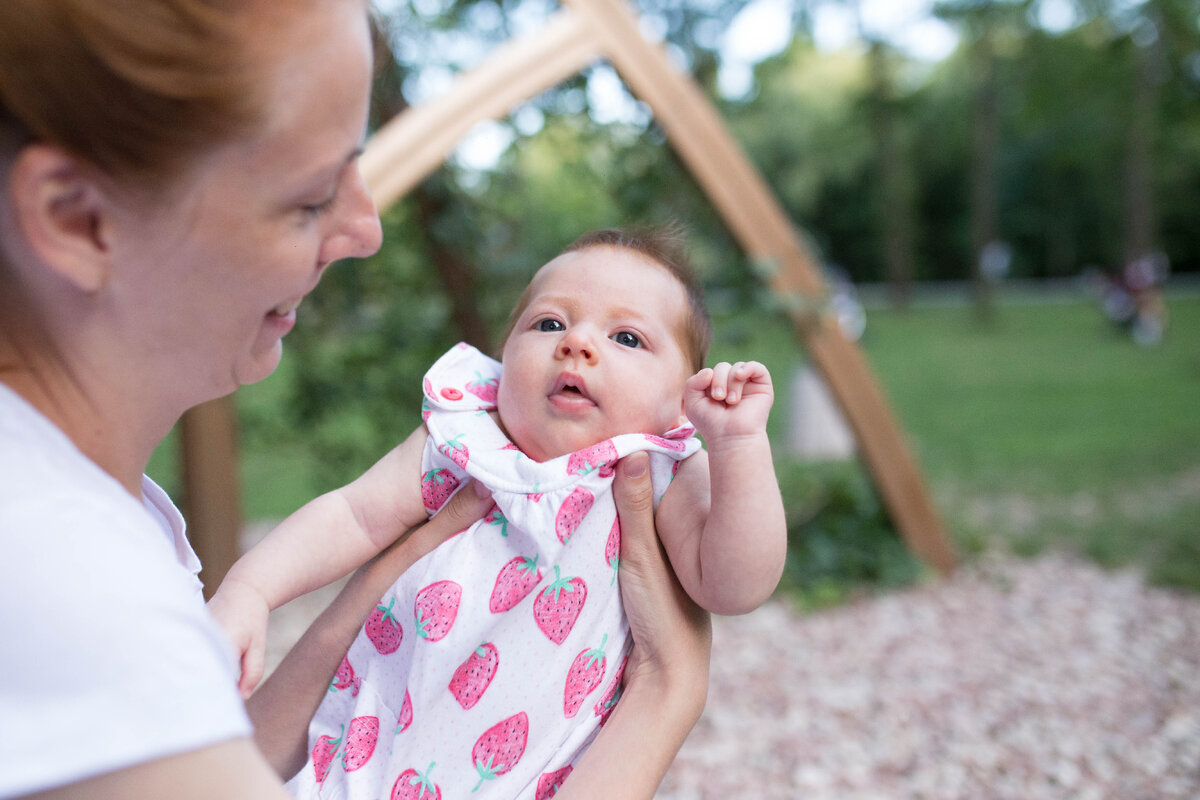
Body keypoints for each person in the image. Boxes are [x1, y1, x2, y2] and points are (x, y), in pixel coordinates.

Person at [0, 1, 711, 798]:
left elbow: (228, 765)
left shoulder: (79, 507)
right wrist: (663, 693)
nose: (367, 227)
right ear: (77, 217)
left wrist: (366, 595)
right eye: (310, 195)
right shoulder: (59, 584)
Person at [208, 226, 788, 798]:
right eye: (549, 323)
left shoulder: (661, 470)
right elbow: (355, 514)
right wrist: (252, 589)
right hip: (365, 759)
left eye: (627, 338)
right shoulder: (468, 437)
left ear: (682, 399)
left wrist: (737, 447)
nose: (577, 343)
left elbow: (735, 585)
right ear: (502, 357)